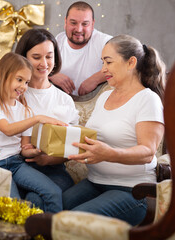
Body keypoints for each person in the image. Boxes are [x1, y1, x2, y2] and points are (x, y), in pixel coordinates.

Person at [63, 34, 166, 226]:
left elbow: (147, 152)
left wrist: (108, 154)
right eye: (102, 62)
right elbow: (93, 135)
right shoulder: (104, 97)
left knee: (72, 222)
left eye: (108, 62)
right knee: (51, 208)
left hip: (133, 190)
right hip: (95, 182)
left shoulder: (147, 100)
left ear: (131, 62)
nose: (103, 69)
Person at [0, 52, 67, 212]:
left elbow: (23, 148)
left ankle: (54, 232)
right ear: (1, 76)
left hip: (16, 163)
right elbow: (7, 130)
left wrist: (34, 151)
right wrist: (38, 118)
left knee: (53, 192)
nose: (23, 86)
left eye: (26, 82)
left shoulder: (25, 111)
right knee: (15, 208)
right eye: (19, 80)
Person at [14, 28, 80, 211]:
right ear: (23, 58)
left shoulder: (64, 99)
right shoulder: (13, 94)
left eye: (49, 56)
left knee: (37, 200)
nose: (44, 63)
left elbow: (73, 145)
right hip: (16, 168)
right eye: (36, 57)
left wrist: (50, 160)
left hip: (54, 172)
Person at [49, 1, 112, 96]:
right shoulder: (57, 41)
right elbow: (32, 64)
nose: (78, 29)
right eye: (73, 23)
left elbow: (125, 65)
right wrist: (51, 75)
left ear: (92, 24)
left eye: (85, 24)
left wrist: (96, 79)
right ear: (65, 22)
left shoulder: (106, 42)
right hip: (63, 104)